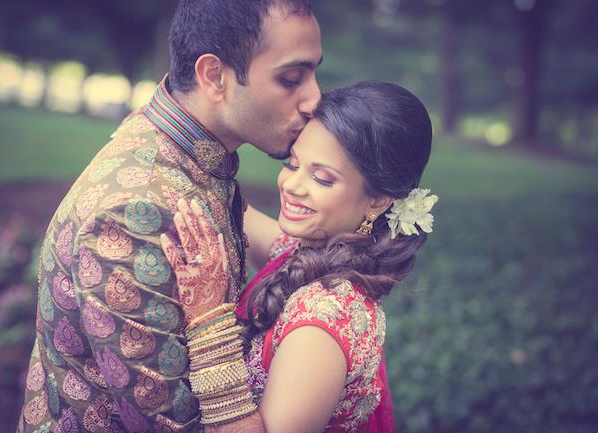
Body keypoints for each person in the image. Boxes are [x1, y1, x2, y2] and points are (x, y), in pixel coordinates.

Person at [17, 0, 322, 431]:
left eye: (312, 73)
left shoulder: (183, 150)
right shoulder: (131, 218)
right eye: (291, 78)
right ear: (214, 76)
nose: (314, 98)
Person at [161, 81, 437, 432]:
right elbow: (228, 208)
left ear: (378, 200)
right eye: (293, 164)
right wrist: (164, 138)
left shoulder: (318, 328)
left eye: (322, 178)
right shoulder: (310, 254)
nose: (292, 185)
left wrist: (207, 319)